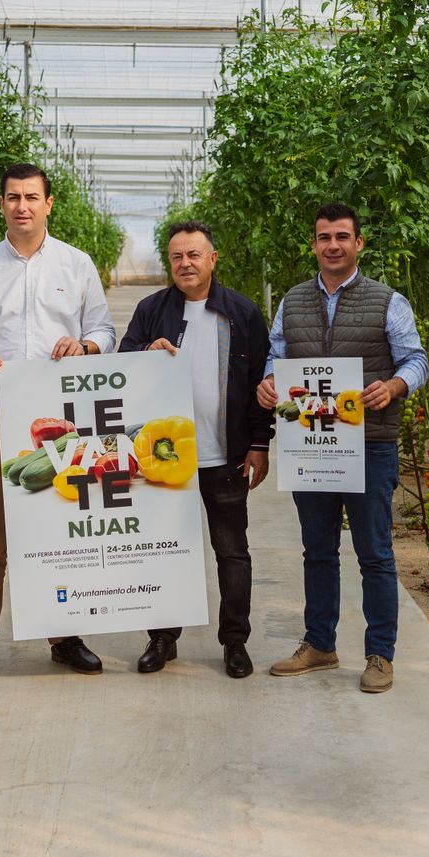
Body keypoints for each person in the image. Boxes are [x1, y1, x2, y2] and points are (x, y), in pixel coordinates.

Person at [0, 163, 116, 679]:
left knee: (55, 525)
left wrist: (83, 345)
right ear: (2, 204)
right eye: (13, 197)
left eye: (32, 197)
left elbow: (104, 330)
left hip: (60, 412)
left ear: (49, 204)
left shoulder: (76, 264)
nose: (22, 205)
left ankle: (62, 634)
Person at [255, 203, 429, 694]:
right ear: (313, 244)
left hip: (369, 443)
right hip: (311, 443)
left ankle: (380, 654)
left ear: (358, 244)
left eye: (342, 237)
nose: (333, 245)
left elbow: (416, 359)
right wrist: (269, 382)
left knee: (374, 551)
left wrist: (394, 387)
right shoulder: (292, 301)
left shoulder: (387, 301)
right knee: (317, 549)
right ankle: (319, 644)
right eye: (324, 237)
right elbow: (277, 353)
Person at [118, 221, 271, 678]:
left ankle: (235, 642)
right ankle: (162, 637)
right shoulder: (151, 309)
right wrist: (147, 350)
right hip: (166, 459)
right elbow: (124, 362)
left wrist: (260, 444)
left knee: (232, 551)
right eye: (177, 257)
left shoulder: (241, 313)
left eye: (194, 255)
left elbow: (262, 382)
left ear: (212, 259)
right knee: (164, 550)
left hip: (224, 455)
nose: (185, 263)